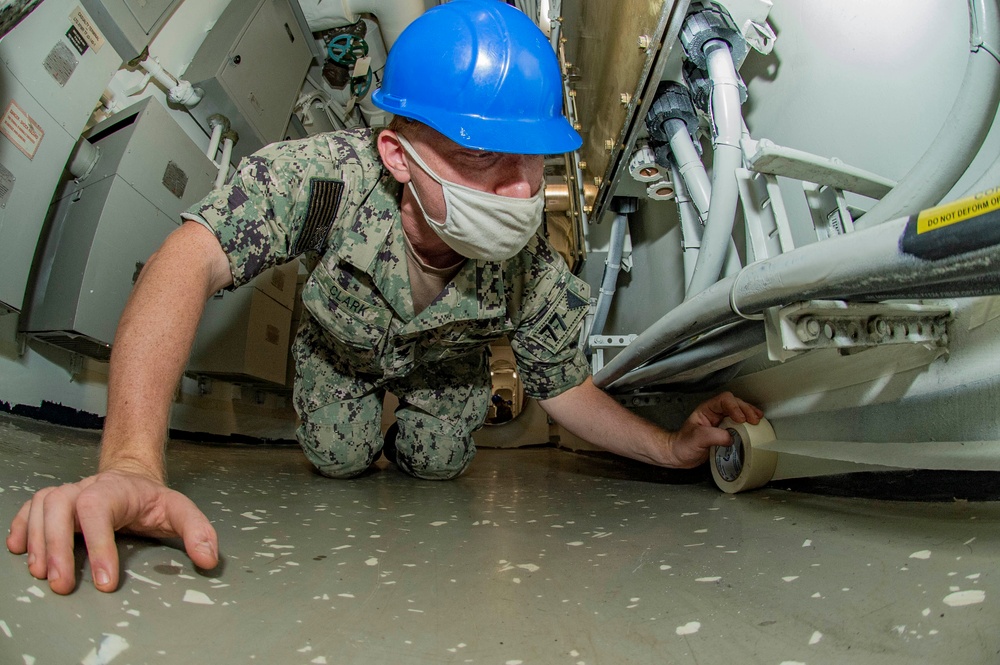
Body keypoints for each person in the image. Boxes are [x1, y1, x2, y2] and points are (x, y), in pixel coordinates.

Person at [6, 0, 762, 595]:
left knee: (437, 463)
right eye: (481, 159)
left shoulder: (527, 260)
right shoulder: (325, 178)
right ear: (398, 156)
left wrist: (669, 448)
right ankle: (364, 429)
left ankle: (412, 433)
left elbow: (562, 385)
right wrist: (133, 463)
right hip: (339, 353)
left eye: (534, 160)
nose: (521, 193)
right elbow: (186, 260)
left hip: (447, 373)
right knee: (336, 456)